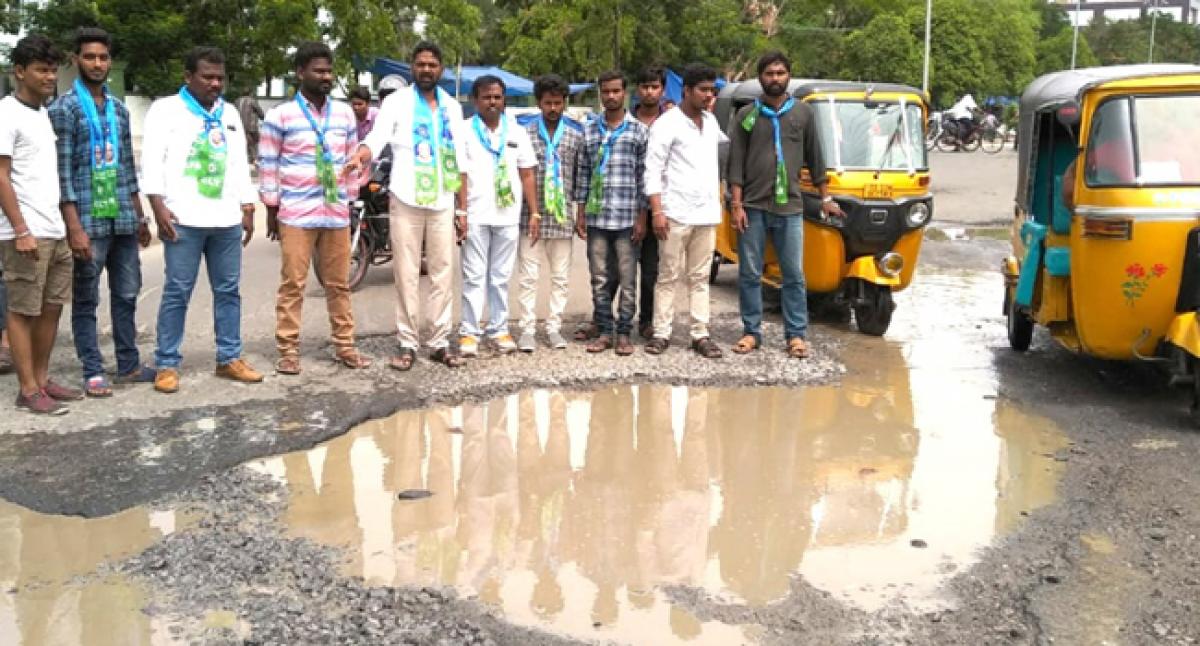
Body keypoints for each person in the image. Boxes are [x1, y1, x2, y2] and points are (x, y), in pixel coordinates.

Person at [142, 46, 262, 393]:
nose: (214, 83)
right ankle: (166, 363)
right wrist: (157, 205)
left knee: (228, 291)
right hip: (183, 218)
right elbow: (152, 160)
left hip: (225, 219)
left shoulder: (228, 113)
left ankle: (229, 358)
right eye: (207, 77)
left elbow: (239, 162)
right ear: (188, 76)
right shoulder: (166, 110)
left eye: (219, 78)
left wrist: (248, 206)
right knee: (177, 290)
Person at [343, 42, 469, 370]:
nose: (426, 69)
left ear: (440, 69)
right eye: (421, 64)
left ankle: (439, 341)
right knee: (406, 272)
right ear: (412, 68)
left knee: (442, 272)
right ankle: (407, 342)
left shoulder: (452, 107)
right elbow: (377, 138)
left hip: (442, 199)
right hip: (406, 199)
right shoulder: (397, 103)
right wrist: (360, 155)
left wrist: (462, 208)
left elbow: (460, 159)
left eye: (432, 64)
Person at [50, 27, 156, 398]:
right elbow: (62, 175)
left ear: (110, 61)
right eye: (89, 56)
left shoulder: (120, 111)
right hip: (89, 220)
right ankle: (92, 369)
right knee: (86, 298)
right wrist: (73, 227)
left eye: (103, 57)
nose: (97, 63)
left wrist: (140, 217)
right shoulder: (63, 110)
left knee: (127, 293)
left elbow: (127, 166)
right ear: (76, 60)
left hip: (122, 219)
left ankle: (128, 364)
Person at [259, 42, 372, 376]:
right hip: (296, 213)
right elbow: (268, 164)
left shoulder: (344, 113)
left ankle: (345, 346)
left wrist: (349, 200)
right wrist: (271, 207)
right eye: (318, 71)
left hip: (335, 212)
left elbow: (352, 157)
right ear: (300, 73)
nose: (326, 77)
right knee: (293, 283)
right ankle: (288, 350)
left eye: (328, 71)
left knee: (339, 284)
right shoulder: (280, 115)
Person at [727, 51, 842, 360]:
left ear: (788, 75)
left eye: (780, 73)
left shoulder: (803, 114)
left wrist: (826, 197)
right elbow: (735, 162)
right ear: (760, 77)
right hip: (752, 205)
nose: (775, 78)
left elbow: (816, 158)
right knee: (750, 273)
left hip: (790, 206)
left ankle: (796, 335)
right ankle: (751, 331)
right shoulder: (746, 115)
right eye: (769, 73)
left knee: (794, 274)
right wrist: (736, 205)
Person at [0, 35, 79, 414]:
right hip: (25, 231)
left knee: (51, 307)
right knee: (22, 310)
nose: (50, 77)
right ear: (20, 71)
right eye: (41, 70)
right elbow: (1, 175)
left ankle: (43, 379)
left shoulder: (42, 113)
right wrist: (21, 230)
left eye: (52, 70)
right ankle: (28, 389)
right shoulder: (6, 113)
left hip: (54, 228)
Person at [643, 64, 725, 359]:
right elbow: (652, 170)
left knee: (700, 277)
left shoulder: (712, 122)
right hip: (674, 212)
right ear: (686, 91)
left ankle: (700, 334)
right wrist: (657, 212)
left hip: (706, 214)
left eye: (712, 90)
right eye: (703, 90)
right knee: (667, 276)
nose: (708, 95)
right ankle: (662, 333)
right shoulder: (667, 124)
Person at [458, 75, 537, 356]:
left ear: (504, 100)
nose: (492, 102)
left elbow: (527, 173)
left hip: (508, 215)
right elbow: (461, 174)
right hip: (476, 214)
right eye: (486, 97)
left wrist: (535, 212)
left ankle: (499, 329)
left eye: (497, 97)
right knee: (474, 276)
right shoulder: (464, 131)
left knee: (500, 277)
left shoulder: (516, 132)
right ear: (475, 100)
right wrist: (462, 211)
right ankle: (469, 333)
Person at [573, 71, 649, 356]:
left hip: (628, 217)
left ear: (625, 93)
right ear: (600, 94)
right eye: (606, 92)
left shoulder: (638, 131)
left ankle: (624, 333)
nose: (611, 96)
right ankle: (605, 330)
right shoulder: (589, 131)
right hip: (596, 218)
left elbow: (644, 177)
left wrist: (643, 216)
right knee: (599, 278)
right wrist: (580, 212)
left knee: (628, 279)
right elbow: (583, 174)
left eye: (616, 91)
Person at [515, 75, 584, 353]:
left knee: (560, 277)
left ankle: (554, 327)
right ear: (539, 103)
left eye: (557, 103)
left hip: (562, 216)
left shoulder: (576, 133)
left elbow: (580, 176)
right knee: (528, 276)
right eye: (547, 103)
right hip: (530, 215)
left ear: (565, 103)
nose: (553, 108)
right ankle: (527, 330)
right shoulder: (525, 133)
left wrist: (580, 214)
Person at [632, 66, 667, 340]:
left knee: (651, 271)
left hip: (660, 208)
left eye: (654, 86)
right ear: (637, 89)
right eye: (644, 86)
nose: (649, 91)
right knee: (616, 270)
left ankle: (647, 321)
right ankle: (606, 320)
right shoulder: (625, 121)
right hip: (624, 207)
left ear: (662, 89)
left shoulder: (671, 122)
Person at [235, 95, 264, 166]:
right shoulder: (252, 101)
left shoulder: (237, 101)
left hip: (240, 126)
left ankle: (247, 160)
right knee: (254, 143)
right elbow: (261, 113)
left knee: (244, 143)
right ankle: (255, 160)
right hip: (251, 126)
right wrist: (262, 117)